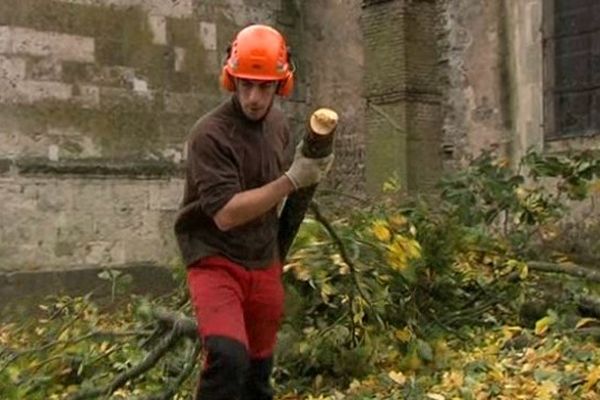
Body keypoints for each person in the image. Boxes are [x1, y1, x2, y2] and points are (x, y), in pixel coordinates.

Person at [174, 24, 334, 400]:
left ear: (281, 85)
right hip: (215, 259)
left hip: (262, 260)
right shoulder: (209, 135)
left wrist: (314, 161)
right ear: (232, 80)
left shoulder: (278, 125)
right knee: (228, 358)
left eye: (264, 87)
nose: (254, 97)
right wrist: (292, 180)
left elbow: (282, 181)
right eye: (246, 84)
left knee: (259, 374)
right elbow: (226, 214)